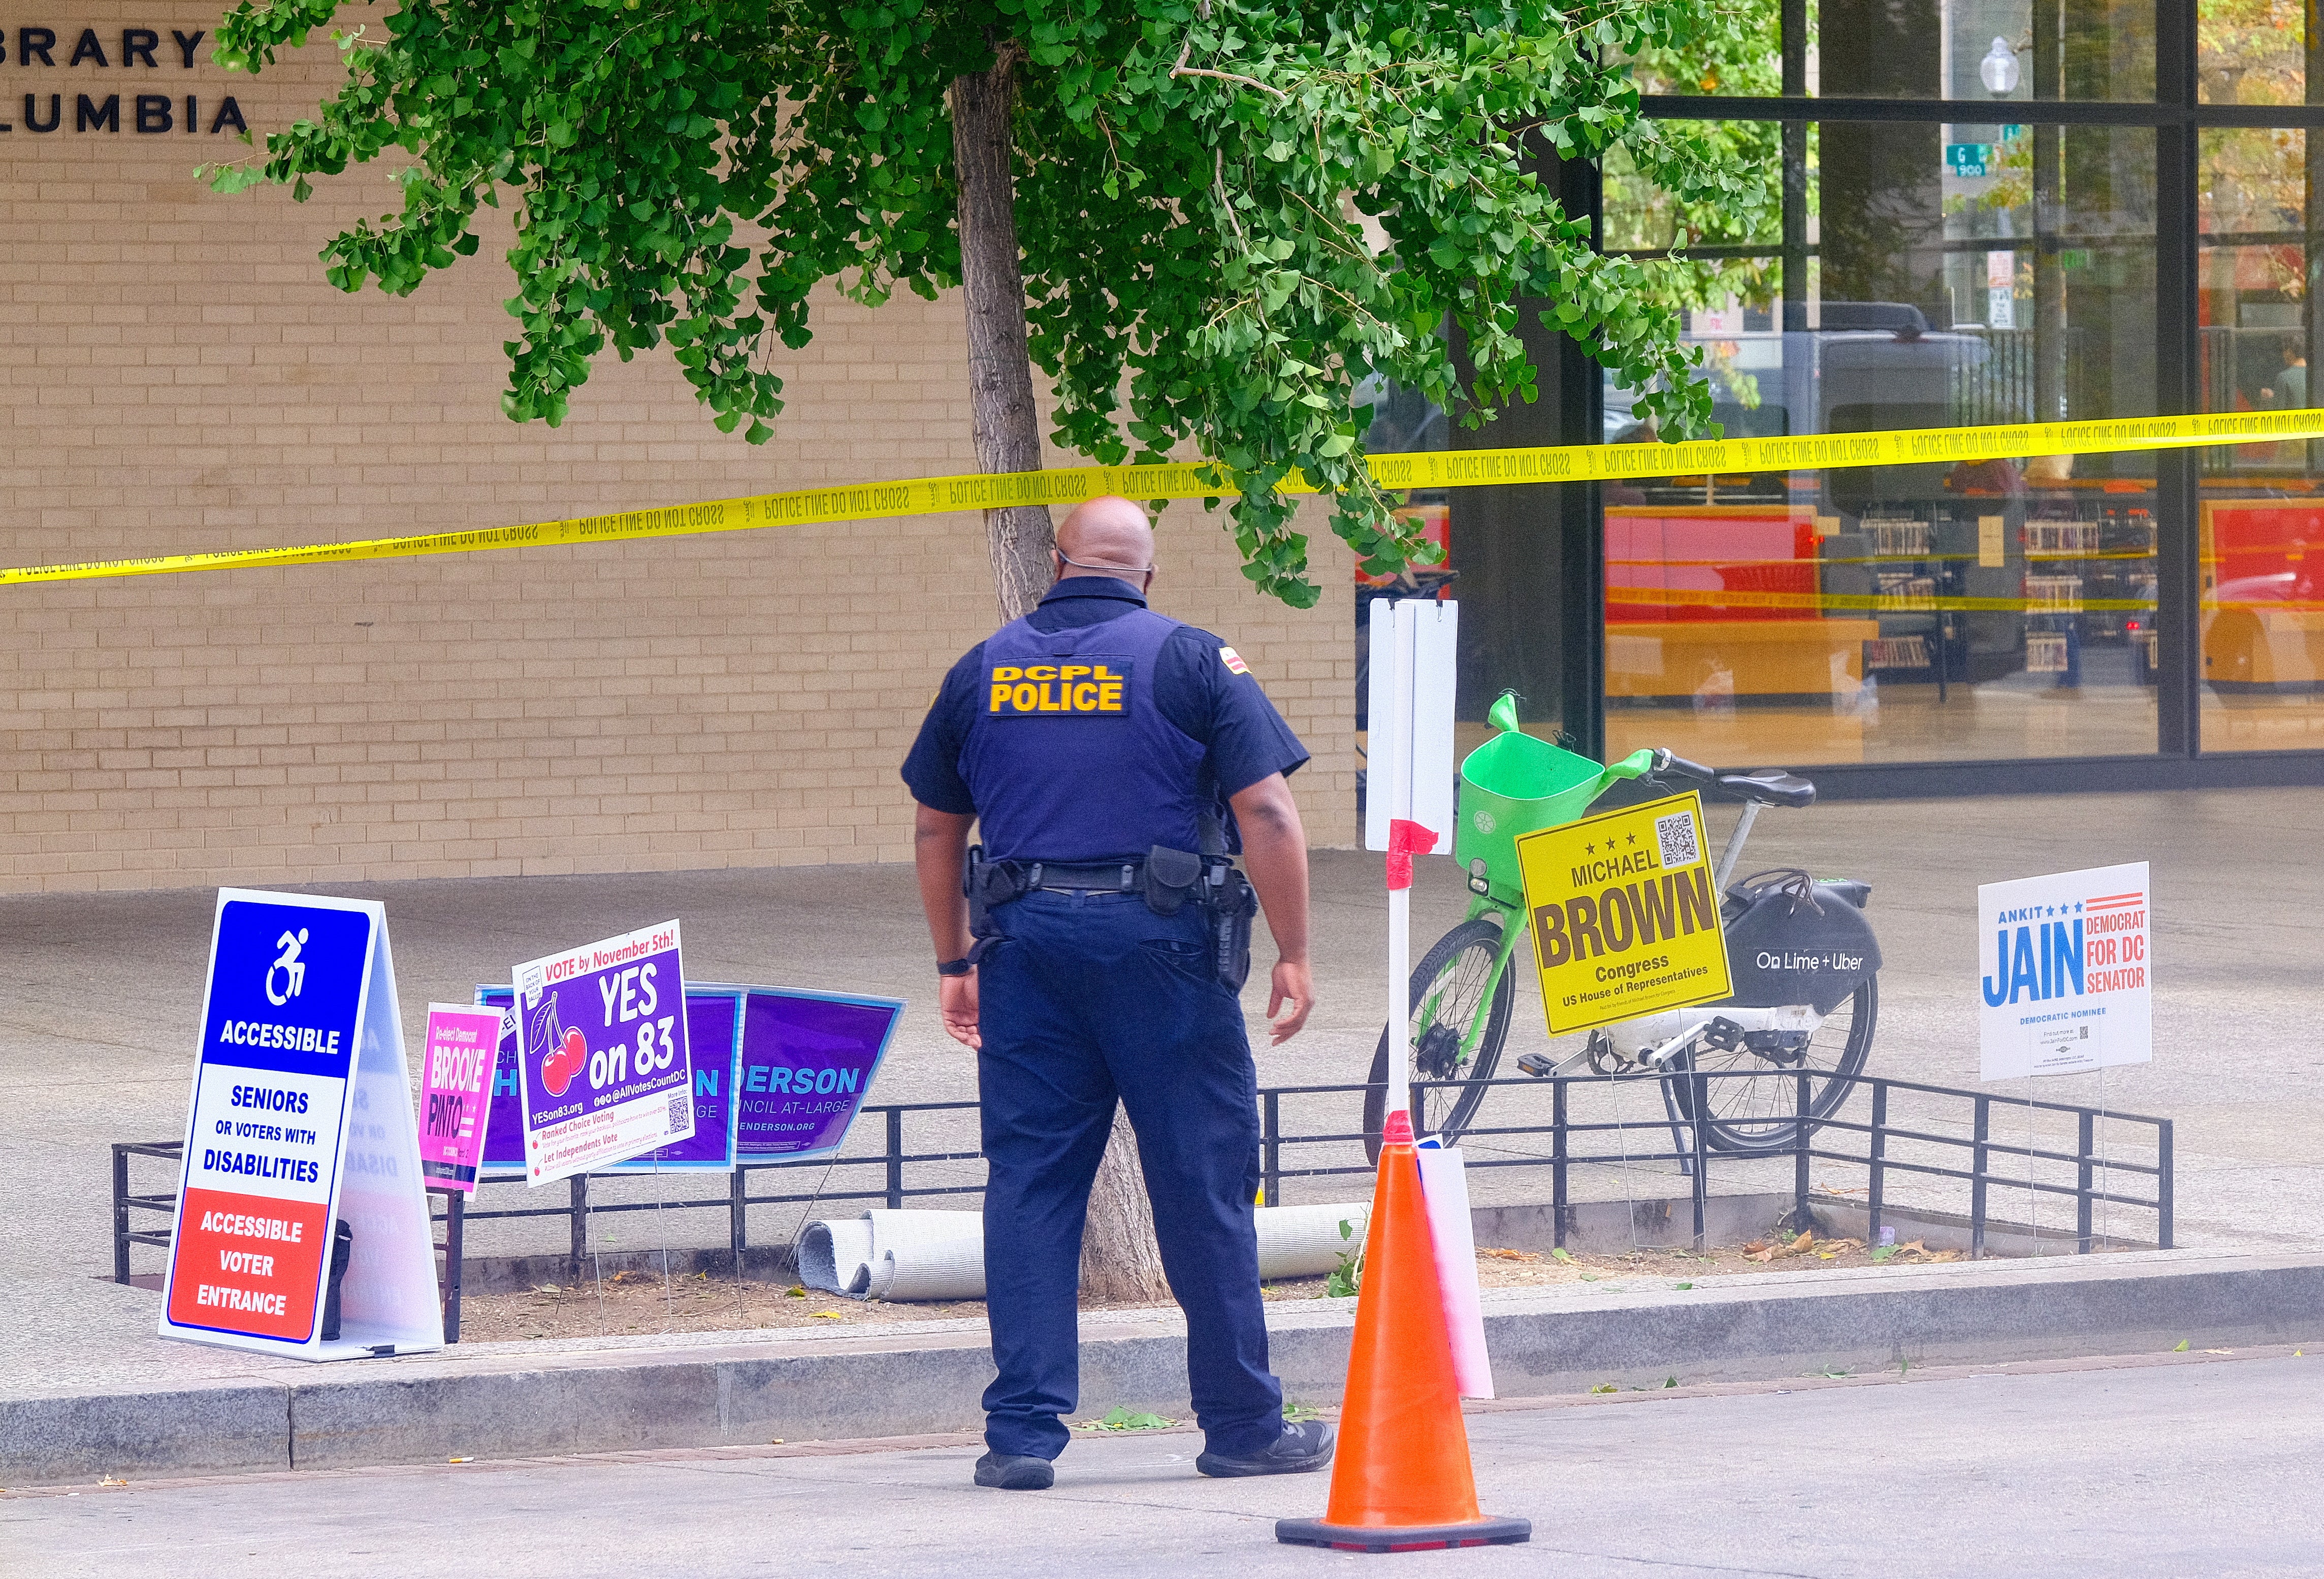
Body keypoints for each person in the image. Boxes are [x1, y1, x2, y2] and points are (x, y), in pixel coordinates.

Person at [900, 495, 1333, 1492]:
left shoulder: (982, 668)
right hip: (1162, 953)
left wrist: (953, 962)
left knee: (1031, 1182)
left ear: (1058, 564)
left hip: (1025, 951)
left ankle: (1020, 1437)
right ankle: (1238, 1424)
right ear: (1146, 575)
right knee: (1200, 1179)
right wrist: (1295, 950)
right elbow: (1265, 807)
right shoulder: (1191, 660)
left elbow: (936, 828)